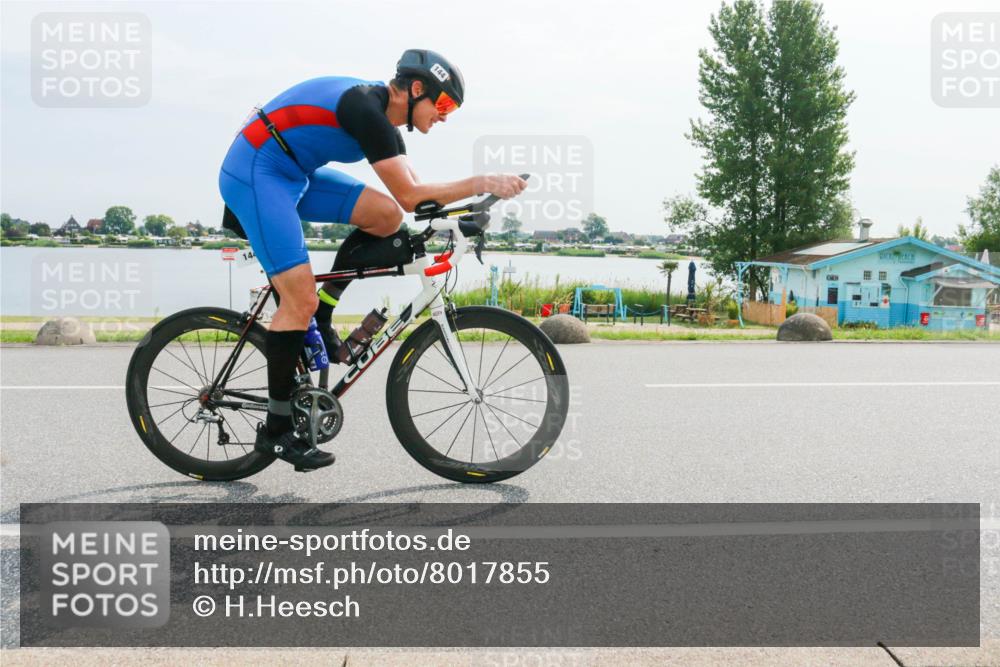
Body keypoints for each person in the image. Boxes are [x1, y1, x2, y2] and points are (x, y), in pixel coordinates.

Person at [218, 49, 527, 472]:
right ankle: (276, 430)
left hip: (295, 172)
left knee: (385, 217)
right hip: (257, 169)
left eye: (451, 109)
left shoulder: (388, 129)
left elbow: (416, 200)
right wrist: (482, 181)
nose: (444, 116)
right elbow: (412, 196)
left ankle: (324, 312)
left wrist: (462, 215)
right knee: (298, 299)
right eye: (443, 104)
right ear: (416, 89)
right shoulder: (364, 108)